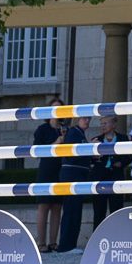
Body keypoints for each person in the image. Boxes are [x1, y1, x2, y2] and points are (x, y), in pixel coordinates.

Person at [32, 97, 66, 252]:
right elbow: (37, 151)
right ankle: (41, 243)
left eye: (60, 108)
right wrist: (57, 142)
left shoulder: (65, 129)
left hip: (61, 170)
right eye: (54, 108)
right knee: (44, 206)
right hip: (46, 169)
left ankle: (53, 242)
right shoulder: (42, 129)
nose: (57, 111)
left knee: (57, 207)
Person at [56, 115, 92, 253]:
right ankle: (66, 245)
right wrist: (89, 151)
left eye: (89, 118)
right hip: (72, 175)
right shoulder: (73, 132)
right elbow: (72, 155)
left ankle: (70, 244)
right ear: (77, 119)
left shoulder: (79, 133)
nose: (87, 121)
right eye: (84, 118)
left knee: (75, 211)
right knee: (71, 210)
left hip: (78, 175)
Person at [89, 115, 129, 231]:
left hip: (116, 178)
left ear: (114, 125)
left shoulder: (123, 138)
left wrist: (121, 163)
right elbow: (90, 159)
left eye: (105, 123)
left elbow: (129, 156)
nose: (103, 126)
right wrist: (93, 154)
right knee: (98, 211)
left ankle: (116, 238)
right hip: (100, 179)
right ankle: (96, 239)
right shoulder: (96, 140)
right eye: (101, 123)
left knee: (116, 211)